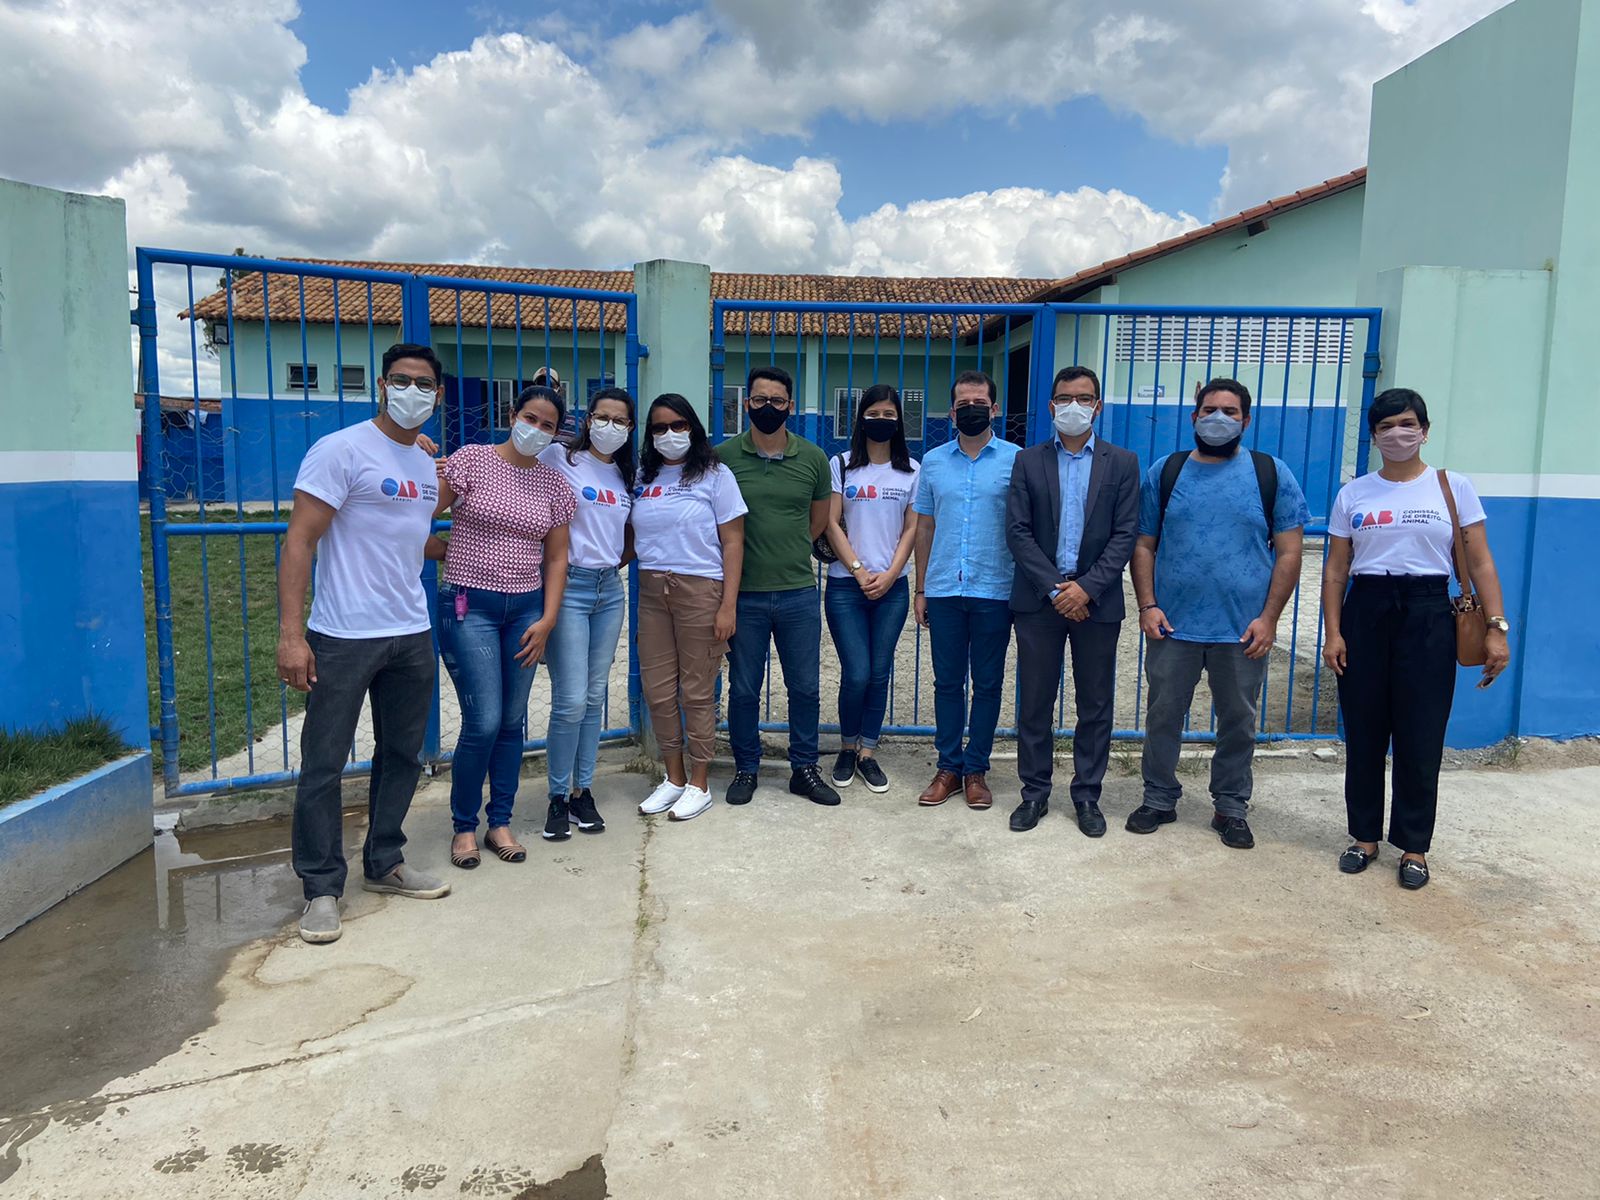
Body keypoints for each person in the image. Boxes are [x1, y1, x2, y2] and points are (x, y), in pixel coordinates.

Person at [277, 342, 452, 945]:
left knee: (402, 755)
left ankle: (384, 862)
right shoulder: (341, 449)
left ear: (438, 395)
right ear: (382, 385)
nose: (412, 392)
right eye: (401, 380)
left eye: (424, 384)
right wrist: (291, 635)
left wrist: (467, 549)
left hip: (410, 630)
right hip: (343, 634)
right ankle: (321, 887)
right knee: (324, 763)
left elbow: (410, 537)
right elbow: (300, 540)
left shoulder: (425, 464)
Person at [1322, 388, 1511, 890]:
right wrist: (1334, 632)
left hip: (1428, 612)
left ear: (1424, 431)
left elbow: (1480, 561)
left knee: (1421, 734)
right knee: (1364, 730)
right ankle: (1364, 837)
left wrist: (1496, 627)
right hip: (1366, 609)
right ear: (1373, 436)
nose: (1397, 434)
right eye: (1386, 426)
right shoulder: (1354, 494)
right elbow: (1336, 569)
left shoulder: (1451, 487)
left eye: (1407, 424)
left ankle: (1413, 846)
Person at [1128, 378, 1309, 849]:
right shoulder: (1166, 472)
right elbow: (1143, 545)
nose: (1218, 419)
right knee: (1163, 715)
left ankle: (1230, 806)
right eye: (1209, 410)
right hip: (1173, 625)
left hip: (1243, 628)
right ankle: (1158, 798)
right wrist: (1148, 605)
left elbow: (1290, 552)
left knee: (1238, 721)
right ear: (1194, 417)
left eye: (1230, 411)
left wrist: (1269, 618)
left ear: (1246, 420)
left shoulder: (1270, 473)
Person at [431, 385, 575, 866]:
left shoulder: (554, 485)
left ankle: (500, 822)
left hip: (527, 611)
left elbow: (556, 559)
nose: (536, 429)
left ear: (556, 434)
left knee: (512, 720)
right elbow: (418, 513)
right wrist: (440, 549)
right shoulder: (471, 461)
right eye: (530, 418)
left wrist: (548, 619)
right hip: (469, 606)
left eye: (548, 425)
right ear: (513, 415)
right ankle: (463, 826)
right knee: (484, 720)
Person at [1005, 367, 1139, 836]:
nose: (1074, 406)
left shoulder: (1122, 462)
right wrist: (1055, 588)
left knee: (1095, 703)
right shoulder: (1028, 461)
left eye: (1084, 398)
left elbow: (1125, 534)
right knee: (1035, 701)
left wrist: (1086, 588)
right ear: (1051, 406)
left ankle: (1087, 795)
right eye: (1065, 398)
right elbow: (1018, 531)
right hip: (1040, 601)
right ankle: (1034, 792)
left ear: (1098, 406)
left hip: (1096, 602)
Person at [716, 366, 840, 807]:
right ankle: (746, 767)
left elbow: (818, 521)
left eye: (777, 400)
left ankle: (804, 768)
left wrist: (786, 549)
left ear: (790, 405)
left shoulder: (813, 458)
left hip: (797, 592)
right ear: (746, 403)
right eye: (759, 399)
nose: (767, 407)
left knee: (804, 686)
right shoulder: (723, 457)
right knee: (744, 689)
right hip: (743, 595)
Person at [632, 394, 746, 821]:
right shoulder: (643, 476)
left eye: (678, 425)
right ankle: (674, 777)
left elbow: (733, 541)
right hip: (652, 591)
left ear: (693, 428)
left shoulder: (716, 475)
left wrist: (727, 606)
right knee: (658, 690)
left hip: (700, 590)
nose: (669, 434)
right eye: (659, 428)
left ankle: (699, 782)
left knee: (696, 691)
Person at [912, 370, 1021, 810]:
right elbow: (924, 526)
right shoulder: (933, 461)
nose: (971, 409)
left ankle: (976, 769)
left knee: (988, 683)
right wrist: (920, 589)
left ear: (995, 409)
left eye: (980, 403)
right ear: (952, 412)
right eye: (963, 404)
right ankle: (948, 767)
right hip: (943, 589)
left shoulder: (1017, 460)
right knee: (947, 683)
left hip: (996, 587)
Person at [539, 387, 637, 839]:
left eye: (620, 421)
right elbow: (508, 459)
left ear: (630, 428)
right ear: (587, 419)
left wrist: (612, 562)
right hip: (570, 588)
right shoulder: (560, 458)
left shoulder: (626, 473)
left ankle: (583, 791)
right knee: (571, 699)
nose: (610, 427)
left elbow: (630, 533)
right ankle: (557, 796)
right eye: (603, 417)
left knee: (595, 697)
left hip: (608, 590)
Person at [822, 384, 922, 793]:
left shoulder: (912, 470)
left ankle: (867, 751)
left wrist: (891, 574)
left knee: (879, 673)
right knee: (857, 672)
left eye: (889, 415)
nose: (881, 421)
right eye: (873, 414)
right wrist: (860, 571)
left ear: (899, 421)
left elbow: (912, 528)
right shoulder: (841, 465)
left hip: (892, 590)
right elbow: (830, 522)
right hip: (846, 587)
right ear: (860, 418)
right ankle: (847, 747)